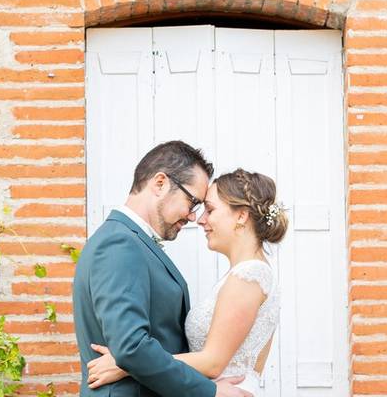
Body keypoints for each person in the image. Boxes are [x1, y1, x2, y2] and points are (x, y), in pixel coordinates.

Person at [86, 168, 289, 397]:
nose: (200, 220)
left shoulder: (249, 277)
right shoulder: (243, 275)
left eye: (210, 210)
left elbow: (212, 362)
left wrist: (127, 365)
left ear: (241, 216)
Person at [72, 141, 252, 397]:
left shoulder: (131, 241)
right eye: (192, 202)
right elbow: (131, 347)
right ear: (160, 183)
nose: (193, 216)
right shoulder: (119, 244)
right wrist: (210, 392)